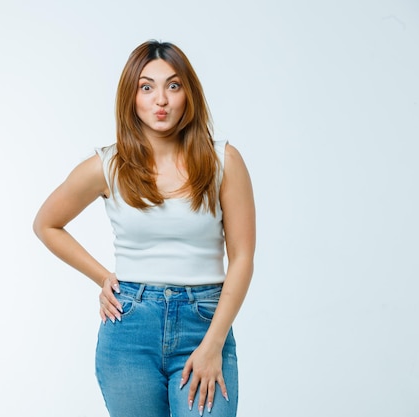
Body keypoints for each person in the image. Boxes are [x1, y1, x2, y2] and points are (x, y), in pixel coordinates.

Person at [33, 40, 255, 417]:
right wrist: (104, 277)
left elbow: (243, 257)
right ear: (131, 97)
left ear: (189, 93)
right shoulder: (109, 165)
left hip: (203, 322)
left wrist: (213, 343)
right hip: (130, 330)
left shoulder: (223, 161)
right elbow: (47, 224)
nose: (161, 100)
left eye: (173, 85)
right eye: (146, 87)